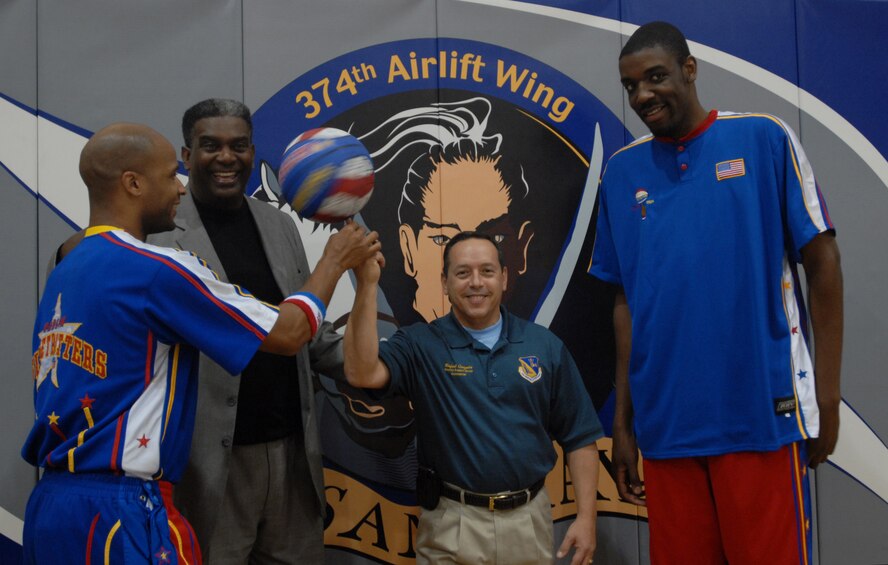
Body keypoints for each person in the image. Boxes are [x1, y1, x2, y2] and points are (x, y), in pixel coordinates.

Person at [22, 122, 379, 564]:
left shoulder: (67, 267)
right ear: (133, 184)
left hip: (53, 504)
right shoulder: (156, 269)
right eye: (171, 175)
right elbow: (289, 333)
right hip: (122, 507)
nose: (180, 188)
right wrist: (334, 260)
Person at [588, 21, 843, 565]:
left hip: (760, 416)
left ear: (689, 69)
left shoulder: (763, 137)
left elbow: (823, 262)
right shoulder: (621, 172)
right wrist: (624, 423)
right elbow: (625, 303)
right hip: (668, 428)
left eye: (655, 77)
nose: (643, 95)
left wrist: (826, 395)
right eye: (631, 85)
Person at [146, 98, 341, 563]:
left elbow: (308, 330)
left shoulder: (279, 224)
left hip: (294, 453)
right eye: (210, 146)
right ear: (187, 156)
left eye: (239, 146)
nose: (226, 157)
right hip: (209, 465)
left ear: (253, 152)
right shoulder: (157, 237)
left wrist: (389, 366)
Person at [344, 231, 603, 565]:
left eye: (487, 271)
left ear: (505, 277)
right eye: (463, 273)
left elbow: (580, 438)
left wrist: (586, 518)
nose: (476, 282)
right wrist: (367, 285)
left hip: (528, 519)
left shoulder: (543, 345)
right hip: (451, 523)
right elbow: (361, 373)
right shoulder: (420, 344)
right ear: (445, 282)